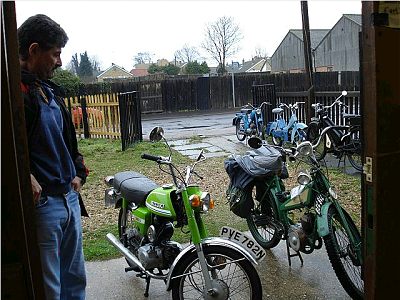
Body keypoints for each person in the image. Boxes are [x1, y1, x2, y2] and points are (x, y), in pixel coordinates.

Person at [18, 14, 89, 300]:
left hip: (69, 198)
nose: (59, 62)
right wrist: (25, 176)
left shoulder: (49, 91)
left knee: (75, 281)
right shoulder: (14, 94)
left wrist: (78, 173)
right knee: (50, 288)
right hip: (44, 207)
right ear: (34, 50)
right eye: (55, 54)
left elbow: (68, 143)